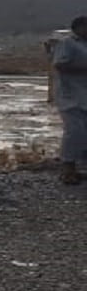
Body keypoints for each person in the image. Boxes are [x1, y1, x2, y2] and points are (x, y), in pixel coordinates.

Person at [51, 15, 87, 185]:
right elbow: (59, 64)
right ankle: (68, 168)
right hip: (70, 94)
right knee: (74, 130)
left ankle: (80, 166)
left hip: (84, 94)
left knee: (84, 131)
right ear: (78, 27)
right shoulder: (67, 43)